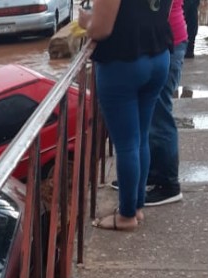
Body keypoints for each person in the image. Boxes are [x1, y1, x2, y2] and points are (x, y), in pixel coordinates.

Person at [79, 0, 172, 231]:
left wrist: (85, 21)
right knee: (140, 137)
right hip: (158, 55)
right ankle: (136, 207)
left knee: (127, 144)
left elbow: (101, 29)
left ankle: (127, 216)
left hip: (123, 62)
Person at [145, 0, 188, 206]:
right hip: (165, 40)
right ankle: (153, 174)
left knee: (159, 115)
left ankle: (169, 185)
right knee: (154, 113)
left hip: (167, 42)